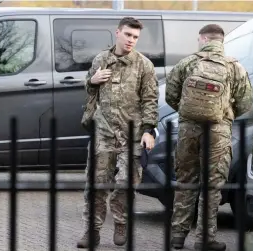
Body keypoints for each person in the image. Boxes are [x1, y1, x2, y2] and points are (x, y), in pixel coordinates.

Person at [165, 24, 253, 250]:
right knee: (212, 186)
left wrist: (190, 113)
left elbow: (171, 96)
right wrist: (224, 114)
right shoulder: (235, 67)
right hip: (218, 131)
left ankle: (177, 235)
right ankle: (204, 238)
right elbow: (245, 103)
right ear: (221, 42)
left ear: (202, 39)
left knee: (186, 180)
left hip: (188, 130)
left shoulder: (187, 63)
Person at [77, 17, 159, 248]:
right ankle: (91, 231)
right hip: (104, 133)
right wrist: (92, 81)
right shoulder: (101, 59)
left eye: (135, 37)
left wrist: (148, 130)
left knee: (126, 183)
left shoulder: (144, 65)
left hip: (131, 136)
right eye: (128, 35)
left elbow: (150, 100)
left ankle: (121, 222)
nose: (131, 40)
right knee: (96, 184)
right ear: (118, 33)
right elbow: (90, 91)